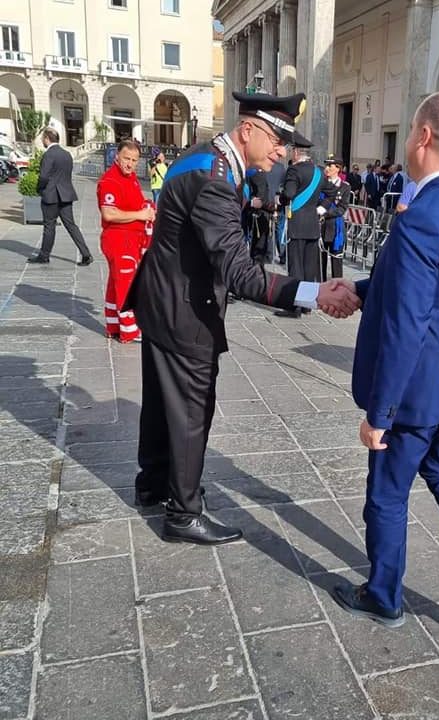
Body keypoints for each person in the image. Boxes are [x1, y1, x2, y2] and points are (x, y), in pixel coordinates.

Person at [125, 91, 360, 545]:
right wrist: (311, 291)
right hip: (183, 312)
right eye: (275, 140)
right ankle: (183, 513)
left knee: (160, 402)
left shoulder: (204, 156)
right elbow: (238, 271)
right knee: (193, 409)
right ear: (248, 129)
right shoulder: (215, 180)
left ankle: (152, 485)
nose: (281, 152)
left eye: (286, 145)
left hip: (161, 299)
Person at [331, 90, 439, 629]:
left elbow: (409, 323)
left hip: (419, 390)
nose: (408, 140)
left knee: (387, 492)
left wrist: (379, 414)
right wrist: (363, 288)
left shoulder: (420, 215)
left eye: (410, 129)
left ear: (424, 137)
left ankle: (384, 594)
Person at [97, 139, 152, 343]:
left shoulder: (131, 178)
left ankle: (113, 325)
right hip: (119, 238)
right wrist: (140, 214)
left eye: (134, 160)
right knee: (127, 285)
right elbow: (109, 213)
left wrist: (145, 208)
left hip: (130, 237)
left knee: (115, 284)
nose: (130, 164)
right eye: (126, 159)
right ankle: (130, 330)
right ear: (117, 157)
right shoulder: (110, 181)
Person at [27, 127, 93, 266]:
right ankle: (86, 254)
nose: (42, 141)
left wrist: (39, 188)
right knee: (71, 225)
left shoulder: (49, 154)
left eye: (42, 139)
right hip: (66, 194)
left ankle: (44, 256)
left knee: (49, 226)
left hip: (51, 195)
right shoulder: (67, 154)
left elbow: (44, 176)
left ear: (46, 138)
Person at [277, 138, 326, 318]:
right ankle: (306, 304)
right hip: (313, 224)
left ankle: (294, 306)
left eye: (292, 151)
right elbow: (331, 194)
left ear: (296, 152)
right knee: (309, 267)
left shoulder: (294, 170)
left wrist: (280, 199)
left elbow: (288, 194)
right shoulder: (319, 172)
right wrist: (321, 208)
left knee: (295, 265)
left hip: (296, 223)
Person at [319, 154, 351, 280]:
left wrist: (325, 213)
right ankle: (321, 288)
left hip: (335, 228)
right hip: (321, 227)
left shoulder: (345, 187)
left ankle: (338, 289)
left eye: (330, 165)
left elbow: (342, 208)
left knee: (336, 262)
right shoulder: (321, 184)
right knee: (320, 261)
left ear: (338, 168)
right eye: (326, 165)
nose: (327, 168)